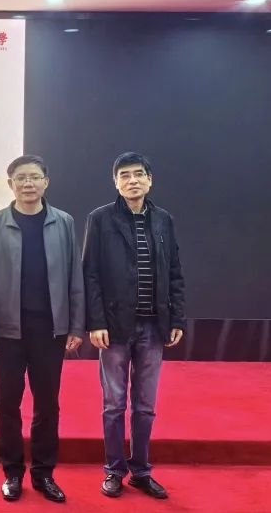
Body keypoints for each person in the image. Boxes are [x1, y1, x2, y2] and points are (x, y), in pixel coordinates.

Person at [0, 155, 84, 503]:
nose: (28, 183)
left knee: (47, 404)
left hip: (50, 330)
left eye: (34, 177)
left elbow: (75, 276)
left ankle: (44, 473)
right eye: (21, 177)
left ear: (46, 182)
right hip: (6, 331)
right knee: (7, 402)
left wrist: (75, 325)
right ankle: (12, 472)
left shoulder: (63, 222)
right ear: (10, 183)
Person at [83, 152, 185, 500]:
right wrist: (95, 321)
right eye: (124, 175)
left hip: (154, 326)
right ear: (116, 183)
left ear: (150, 180)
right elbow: (90, 274)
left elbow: (175, 271)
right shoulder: (100, 219)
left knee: (146, 406)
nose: (132, 180)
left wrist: (177, 317)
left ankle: (141, 471)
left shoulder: (163, 220)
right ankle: (114, 470)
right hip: (114, 326)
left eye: (138, 174)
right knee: (114, 404)